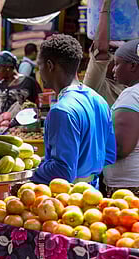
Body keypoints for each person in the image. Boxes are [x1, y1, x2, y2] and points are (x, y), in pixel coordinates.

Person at [32, 34, 116, 187]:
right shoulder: (99, 101)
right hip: (93, 193)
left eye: (40, 66)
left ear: (50, 65)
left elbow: (62, 171)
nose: (40, 72)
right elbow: (109, 155)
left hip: (68, 199)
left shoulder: (61, 111)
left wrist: (29, 171)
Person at [103, 39, 139, 196]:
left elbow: (120, 148)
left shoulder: (131, 95)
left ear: (132, 65)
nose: (113, 70)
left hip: (129, 188)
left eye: (117, 64)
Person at [83, 0, 126, 106]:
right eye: (111, 51)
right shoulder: (96, 83)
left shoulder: (128, 85)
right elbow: (101, 50)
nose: (114, 57)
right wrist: (106, 5)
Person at [0, 51, 41, 117]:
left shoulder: (28, 82)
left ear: (8, 67)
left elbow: (39, 102)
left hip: (23, 125)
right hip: (0, 124)